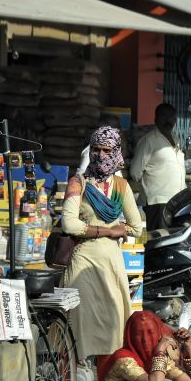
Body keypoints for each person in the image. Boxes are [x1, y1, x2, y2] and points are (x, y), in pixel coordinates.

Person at [61, 126, 144, 360]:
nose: (100, 155)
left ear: (116, 151)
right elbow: (69, 225)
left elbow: (136, 227)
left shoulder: (121, 186)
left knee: (114, 324)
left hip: (111, 265)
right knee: (81, 325)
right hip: (82, 262)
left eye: (106, 150)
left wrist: (113, 230)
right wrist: (109, 230)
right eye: (96, 149)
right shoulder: (78, 183)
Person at [130, 103, 185, 231]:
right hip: (157, 203)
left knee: (172, 242)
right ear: (155, 119)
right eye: (163, 115)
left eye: (171, 116)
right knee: (158, 242)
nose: (168, 120)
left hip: (177, 201)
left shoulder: (176, 140)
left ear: (175, 120)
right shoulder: (148, 141)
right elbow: (135, 172)